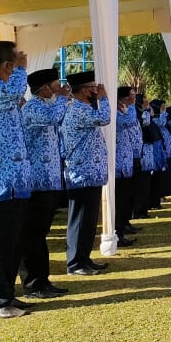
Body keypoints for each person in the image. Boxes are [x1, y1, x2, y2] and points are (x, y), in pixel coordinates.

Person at [0, 42, 33, 318]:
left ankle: (8, 294)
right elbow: (14, 91)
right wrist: (23, 70)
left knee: (12, 242)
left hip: (15, 182)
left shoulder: (6, 92)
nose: (20, 64)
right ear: (7, 66)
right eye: (16, 62)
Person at [19, 68, 71, 298]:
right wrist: (62, 98)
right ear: (45, 88)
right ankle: (33, 283)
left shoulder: (48, 106)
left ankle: (43, 280)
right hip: (36, 183)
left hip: (49, 181)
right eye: (56, 84)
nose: (60, 88)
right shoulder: (33, 108)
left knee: (40, 234)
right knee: (32, 235)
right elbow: (53, 118)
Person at [61, 71, 111, 275]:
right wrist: (104, 98)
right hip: (81, 173)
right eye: (93, 88)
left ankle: (84, 259)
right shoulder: (78, 110)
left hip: (90, 172)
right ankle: (75, 263)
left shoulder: (83, 108)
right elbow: (105, 118)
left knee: (89, 220)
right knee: (80, 219)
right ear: (83, 91)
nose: (96, 91)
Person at [114, 87, 140, 245]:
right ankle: (118, 232)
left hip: (126, 161)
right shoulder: (119, 112)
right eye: (131, 96)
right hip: (118, 164)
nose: (134, 98)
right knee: (120, 200)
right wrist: (129, 108)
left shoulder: (125, 110)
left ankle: (123, 228)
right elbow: (128, 122)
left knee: (126, 198)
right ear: (123, 98)